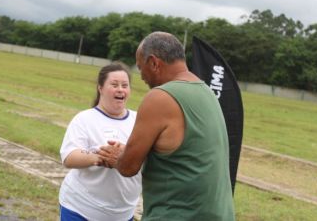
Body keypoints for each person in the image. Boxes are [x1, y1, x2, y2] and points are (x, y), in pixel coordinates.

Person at [98, 32, 235, 220]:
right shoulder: (207, 92)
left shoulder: (160, 97)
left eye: (141, 67)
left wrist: (118, 156)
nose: (142, 76)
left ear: (154, 63)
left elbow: (128, 167)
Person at [59, 62, 142, 221]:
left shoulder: (139, 120)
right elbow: (69, 157)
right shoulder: (85, 119)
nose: (120, 89)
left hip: (123, 214)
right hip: (80, 209)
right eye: (114, 84)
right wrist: (100, 157)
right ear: (100, 88)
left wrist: (124, 154)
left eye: (125, 85)